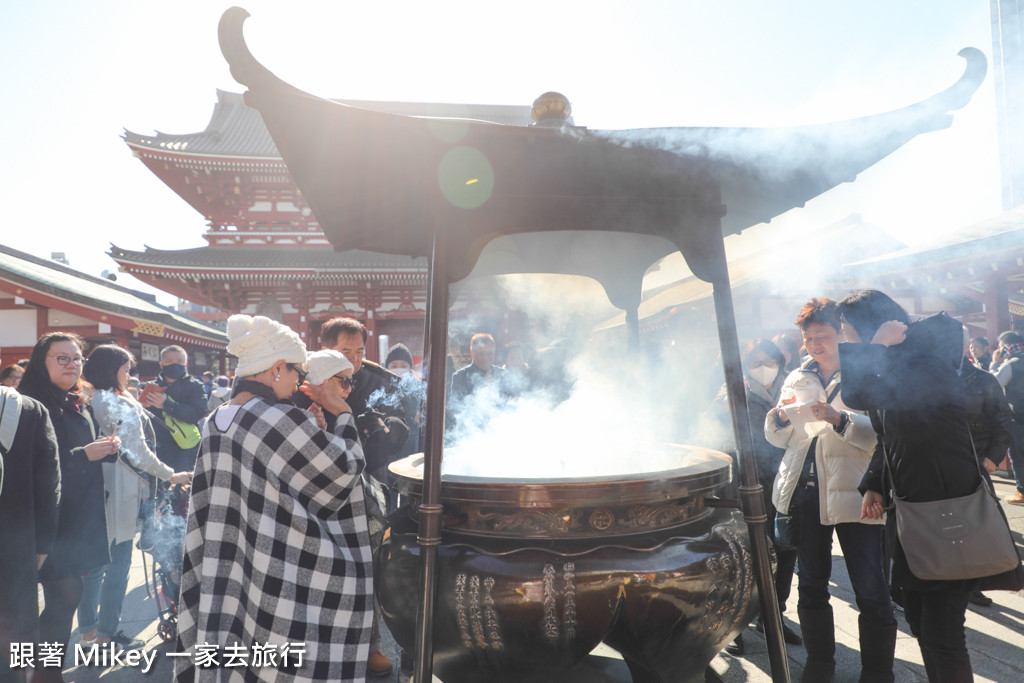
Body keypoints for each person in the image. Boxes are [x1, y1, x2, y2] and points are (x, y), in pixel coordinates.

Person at [176, 315, 373, 682]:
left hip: (228, 553)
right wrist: (343, 413)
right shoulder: (273, 417)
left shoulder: (218, 418)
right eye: (296, 371)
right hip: (279, 558)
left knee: (236, 636)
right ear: (276, 368)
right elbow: (343, 469)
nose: (300, 380)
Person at [838, 289, 981, 683]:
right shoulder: (904, 363)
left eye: (848, 331)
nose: (844, 340)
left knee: (941, 629)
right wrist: (874, 483)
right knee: (920, 619)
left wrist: (876, 345)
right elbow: (894, 435)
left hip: (943, 508)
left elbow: (857, 394)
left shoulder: (924, 364)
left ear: (870, 327)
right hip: (915, 507)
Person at [764, 298, 894, 682]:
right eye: (808, 339)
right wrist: (778, 418)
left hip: (857, 491)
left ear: (842, 334)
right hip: (803, 491)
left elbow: (882, 436)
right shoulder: (798, 375)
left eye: (823, 336)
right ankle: (819, 664)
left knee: (870, 588)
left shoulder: (868, 374)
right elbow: (781, 438)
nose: (814, 345)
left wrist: (838, 418)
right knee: (812, 584)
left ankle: (877, 672)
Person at [76, 345, 192, 652]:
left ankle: (87, 634)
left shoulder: (88, 398)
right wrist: (171, 474)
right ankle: (106, 634)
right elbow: (139, 452)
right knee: (117, 565)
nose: (130, 376)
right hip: (121, 490)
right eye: (126, 370)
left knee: (91, 568)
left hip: (91, 489)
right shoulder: (116, 403)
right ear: (110, 370)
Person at [18, 333, 118, 683]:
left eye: (77, 358)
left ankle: (42, 671)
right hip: (44, 519)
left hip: (76, 515)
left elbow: (76, 448)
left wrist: (105, 448)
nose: (72, 364)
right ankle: (43, 673)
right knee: (62, 595)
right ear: (40, 362)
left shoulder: (76, 399)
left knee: (66, 596)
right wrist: (84, 455)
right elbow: (29, 465)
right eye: (62, 358)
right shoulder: (28, 403)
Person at [707, 338, 801, 656]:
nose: (763, 368)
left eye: (769, 362)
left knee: (786, 549)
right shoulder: (731, 396)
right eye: (756, 363)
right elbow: (720, 442)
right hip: (745, 486)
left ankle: (772, 616)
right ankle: (733, 625)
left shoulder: (791, 394)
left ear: (780, 365)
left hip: (784, 482)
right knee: (744, 557)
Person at [0, 379, 60, 683]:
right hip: (14, 539)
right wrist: (43, 543)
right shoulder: (26, 409)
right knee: (15, 623)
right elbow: (48, 483)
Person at [959, 331, 1013, 608]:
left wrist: (993, 457)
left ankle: (974, 584)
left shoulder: (983, 379)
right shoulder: (926, 382)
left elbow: (1002, 420)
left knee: (978, 528)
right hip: (939, 465)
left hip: (975, 463)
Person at [139, 345, 207, 473]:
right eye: (169, 361)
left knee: (183, 486)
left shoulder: (196, 386)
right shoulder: (150, 387)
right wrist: (142, 407)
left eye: (179, 362)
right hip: (154, 446)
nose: (174, 365)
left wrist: (167, 404)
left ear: (185, 364)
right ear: (161, 364)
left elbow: (197, 413)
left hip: (185, 447)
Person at [989, 330, 1024, 505]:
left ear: (1006, 347)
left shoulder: (1010, 364)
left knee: (1018, 455)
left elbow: (994, 384)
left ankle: (1022, 491)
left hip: (1018, 418)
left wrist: (995, 364)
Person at [385, 343, 424, 458]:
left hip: (412, 441)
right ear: (387, 367)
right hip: (387, 443)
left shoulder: (419, 386)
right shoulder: (380, 386)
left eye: (403, 365)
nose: (399, 369)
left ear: (410, 368)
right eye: (394, 365)